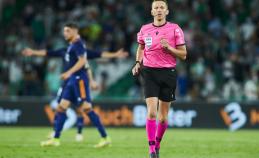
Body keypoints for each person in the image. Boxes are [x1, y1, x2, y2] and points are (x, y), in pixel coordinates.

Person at [22, 22, 122, 148]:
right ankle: (56, 138)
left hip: (79, 80)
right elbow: (50, 53)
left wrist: (69, 73)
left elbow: (83, 61)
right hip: (71, 81)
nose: (65, 33)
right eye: (64, 31)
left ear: (75, 31)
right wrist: (33, 52)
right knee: (60, 108)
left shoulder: (79, 45)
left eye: (68, 31)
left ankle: (105, 137)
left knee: (86, 109)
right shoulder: (70, 47)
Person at [132, 0, 187, 158]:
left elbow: (183, 54)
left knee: (163, 118)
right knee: (151, 113)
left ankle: (157, 144)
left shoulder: (175, 29)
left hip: (168, 73)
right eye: (156, 7)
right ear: (152, 11)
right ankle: (151, 150)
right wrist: (137, 63)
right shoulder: (144, 29)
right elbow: (141, 47)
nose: (159, 10)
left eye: (162, 7)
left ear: (167, 11)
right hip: (149, 72)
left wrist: (169, 48)